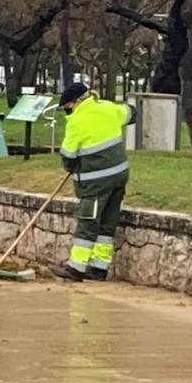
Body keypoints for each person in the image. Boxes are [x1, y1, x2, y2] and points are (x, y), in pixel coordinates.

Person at [50, 83, 135, 282]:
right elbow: (132, 113)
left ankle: (76, 267)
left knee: (88, 221)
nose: (67, 111)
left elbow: (68, 156)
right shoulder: (108, 108)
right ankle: (99, 267)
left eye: (67, 106)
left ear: (76, 102)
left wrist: (71, 167)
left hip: (94, 182)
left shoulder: (77, 121)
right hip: (119, 176)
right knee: (107, 222)